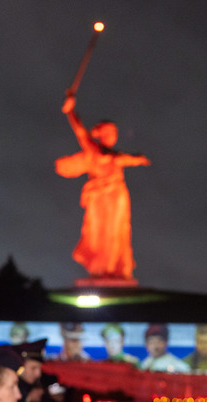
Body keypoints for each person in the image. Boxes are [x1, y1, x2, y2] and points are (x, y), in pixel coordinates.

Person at [55, 92, 150, 280]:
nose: (114, 136)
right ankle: (100, 269)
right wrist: (70, 112)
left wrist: (139, 159)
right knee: (99, 232)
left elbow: (127, 159)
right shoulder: (93, 150)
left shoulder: (115, 154)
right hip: (100, 197)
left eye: (115, 133)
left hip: (117, 196)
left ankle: (114, 268)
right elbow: (80, 132)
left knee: (116, 232)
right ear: (103, 134)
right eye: (111, 132)